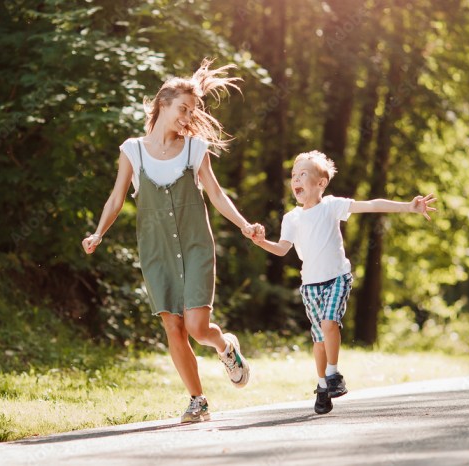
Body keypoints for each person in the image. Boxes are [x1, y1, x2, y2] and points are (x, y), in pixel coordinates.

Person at [82, 58, 256, 423]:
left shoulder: (195, 149)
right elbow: (116, 198)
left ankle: (225, 347)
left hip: (195, 247)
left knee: (196, 326)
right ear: (162, 103)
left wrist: (243, 224)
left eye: (192, 111)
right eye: (182, 109)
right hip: (156, 250)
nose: (187, 117)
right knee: (172, 327)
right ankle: (198, 400)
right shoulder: (133, 150)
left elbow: (216, 194)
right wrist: (99, 231)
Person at [251, 150, 436, 415]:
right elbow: (282, 249)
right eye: (293, 176)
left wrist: (408, 206)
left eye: (303, 174)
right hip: (310, 286)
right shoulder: (291, 218)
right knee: (318, 339)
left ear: (321, 183)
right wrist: (261, 242)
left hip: (337, 278)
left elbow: (370, 205)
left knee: (329, 324)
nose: (296, 180)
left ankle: (334, 374)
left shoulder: (331, 206)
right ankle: (322, 385)